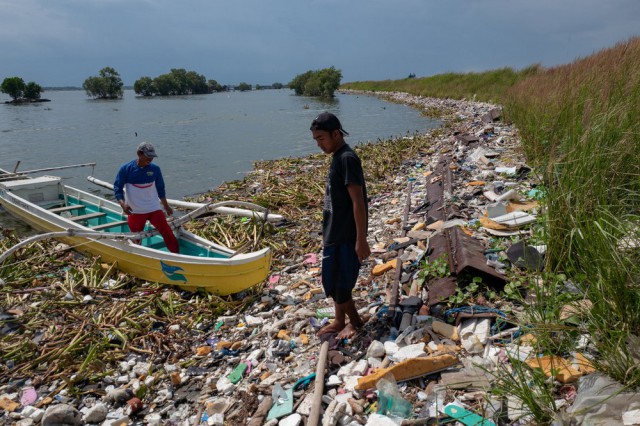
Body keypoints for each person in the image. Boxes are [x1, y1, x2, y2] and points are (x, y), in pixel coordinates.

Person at [310, 112, 371, 339]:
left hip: (346, 235)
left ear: (336, 134)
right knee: (333, 281)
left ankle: (356, 323)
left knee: (342, 286)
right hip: (333, 233)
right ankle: (339, 320)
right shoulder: (337, 157)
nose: (319, 144)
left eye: (322, 138)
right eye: (316, 140)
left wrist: (361, 239)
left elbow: (358, 201)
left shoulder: (347, 158)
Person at [113, 142, 179, 253]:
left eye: (152, 157)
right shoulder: (126, 169)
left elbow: (160, 189)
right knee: (136, 239)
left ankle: (177, 255)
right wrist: (123, 204)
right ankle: (139, 256)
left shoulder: (155, 169)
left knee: (167, 232)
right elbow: (117, 188)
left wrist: (166, 206)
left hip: (153, 209)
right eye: (148, 156)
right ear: (139, 153)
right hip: (135, 211)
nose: (150, 159)